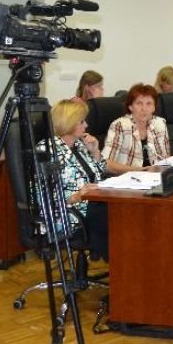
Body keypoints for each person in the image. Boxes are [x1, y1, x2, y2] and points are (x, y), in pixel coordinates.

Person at [41, 99, 108, 260]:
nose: (86, 125)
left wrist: (95, 152)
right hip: (68, 214)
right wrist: (76, 196)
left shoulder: (78, 145)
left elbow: (98, 176)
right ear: (69, 122)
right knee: (116, 219)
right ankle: (123, 267)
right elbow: (42, 198)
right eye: (82, 121)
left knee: (124, 212)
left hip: (91, 205)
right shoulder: (47, 151)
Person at [102, 83, 170, 173]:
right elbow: (106, 164)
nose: (144, 109)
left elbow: (165, 159)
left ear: (154, 107)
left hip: (154, 177)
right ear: (130, 106)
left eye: (149, 104)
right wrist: (140, 170)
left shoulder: (160, 124)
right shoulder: (120, 125)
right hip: (126, 177)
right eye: (139, 103)